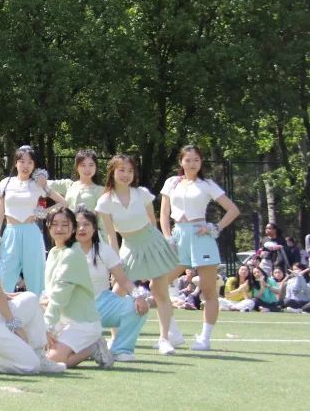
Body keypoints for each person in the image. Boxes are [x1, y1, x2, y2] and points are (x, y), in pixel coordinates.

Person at [0, 206, 65, 374]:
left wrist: (6, 295)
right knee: (32, 365)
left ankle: (35, 354)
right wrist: (15, 326)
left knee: (30, 298)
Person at [96, 154, 181, 355]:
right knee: (117, 292)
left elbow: (152, 222)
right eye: (121, 170)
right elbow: (111, 235)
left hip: (152, 242)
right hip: (129, 247)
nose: (126, 175)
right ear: (112, 172)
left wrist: (158, 247)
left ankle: (164, 339)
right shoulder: (105, 201)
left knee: (160, 291)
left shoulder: (142, 193)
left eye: (130, 171)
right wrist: (114, 262)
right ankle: (115, 339)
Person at [160, 144, 241, 352]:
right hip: (178, 237)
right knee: (157, 284)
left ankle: (204, 338)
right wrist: (168, 237)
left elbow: (233, 210)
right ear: (181, 161)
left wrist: (215, 227)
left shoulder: (207, 184)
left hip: (201, 237)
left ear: (201, 162)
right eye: (188, 160)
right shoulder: (171, 182)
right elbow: (164, 213)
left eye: (196, 160)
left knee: (208, 289)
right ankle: (172, 333)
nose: (192, 163)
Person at [73, 209, 148, 362]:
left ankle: (120, 350)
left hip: (102, 304)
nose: (81, 228)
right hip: (73, 310)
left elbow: (124, 280)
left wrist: (138, 296)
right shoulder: (63, 252)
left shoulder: (104, 251)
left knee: (136, 307)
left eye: (86, 224)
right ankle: (89, 347)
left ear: (94, 228)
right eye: (77, 225)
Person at [0, 145, 67, 294]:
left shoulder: (38, 184)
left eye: (30, 162)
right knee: (5, 274)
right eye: (22, 161)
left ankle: (38, 306)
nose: (25, 166)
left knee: (35, 275)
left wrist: (43, 212)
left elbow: (63, 202)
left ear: (34, 165)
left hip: (31, 232)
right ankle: (2, 307)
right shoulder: (5, 183)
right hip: (10, 233)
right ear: (15, 163)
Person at [41, 207, 109, 369]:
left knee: (50, 361)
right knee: (38, 355)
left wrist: (46, 327)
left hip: (82, 323)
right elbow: (50, 291)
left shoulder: (72, 255)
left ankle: (94, 347)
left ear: (73, 228)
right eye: (54, 224)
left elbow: (59, 297)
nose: (59, 228)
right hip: (61, 320)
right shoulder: (54, 252)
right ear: (48, 227)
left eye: (65, 224)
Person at [48, 149, 106, 239]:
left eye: (91, 165)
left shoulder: (100, 190)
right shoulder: (68, 185)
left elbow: (103, 222)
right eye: (83, 165)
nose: (87, 169)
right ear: (77, 167)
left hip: (89, 237)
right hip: (68, 235)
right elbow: (43, 184)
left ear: (96, 167)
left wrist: (105, 243)